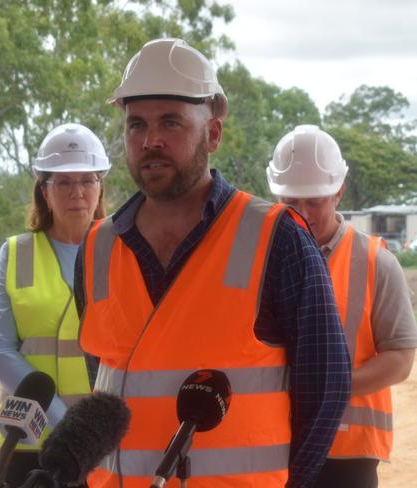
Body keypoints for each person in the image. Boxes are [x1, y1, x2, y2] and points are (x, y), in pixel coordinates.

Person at [74, 38, 351, 488]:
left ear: (214, 134)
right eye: (136, 125)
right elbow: (103, 376)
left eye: (171, 122)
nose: (151, 141)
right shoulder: (97, 246)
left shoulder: (277, 238)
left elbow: (325, 390)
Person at [267, 125, 417, 488]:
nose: (302, 213)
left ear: (339, 192)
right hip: (272, 445)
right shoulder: (258, 258)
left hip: (348, 455)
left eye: (314, 201)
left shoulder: (375, 263)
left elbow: (399, 358)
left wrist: (329, 388)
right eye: (290, 204)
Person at [0, 123, 111, 487]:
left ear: (100, 188)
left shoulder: (121, 252)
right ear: (45, 191)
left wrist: (84, 430)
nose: (78, 193)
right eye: (64, 182)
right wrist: (62, 419)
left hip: (100, 444)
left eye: (88, 180)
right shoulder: (15, 254)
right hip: (27, 441)